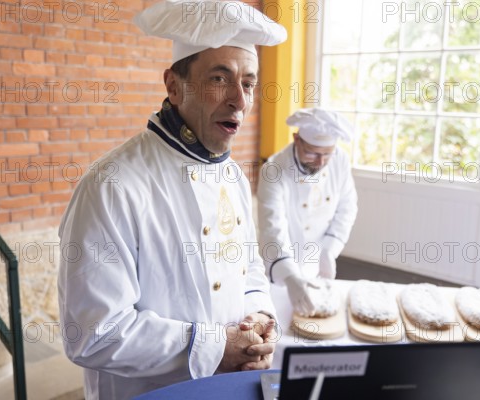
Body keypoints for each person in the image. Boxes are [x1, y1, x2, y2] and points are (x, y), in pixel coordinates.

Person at [57, 1, 287, 399]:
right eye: (220, 78)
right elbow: (93, 335)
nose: (240, 100)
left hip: (230, 387)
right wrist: (216, 347)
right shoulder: (113, 186)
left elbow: (248, 267)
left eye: (248, 83)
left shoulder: (230, 174)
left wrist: (261, 316)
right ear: (174, 85)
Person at [257, 108, 358, 316]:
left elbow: (347, 207)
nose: (320, 162)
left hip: (317, 268)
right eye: (312, 153)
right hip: (280, 270)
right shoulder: (273, 169)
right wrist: (290, 276)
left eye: (327, 154)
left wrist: (330, 249)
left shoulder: (340, 160)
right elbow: (272, 228)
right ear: (297, 140)